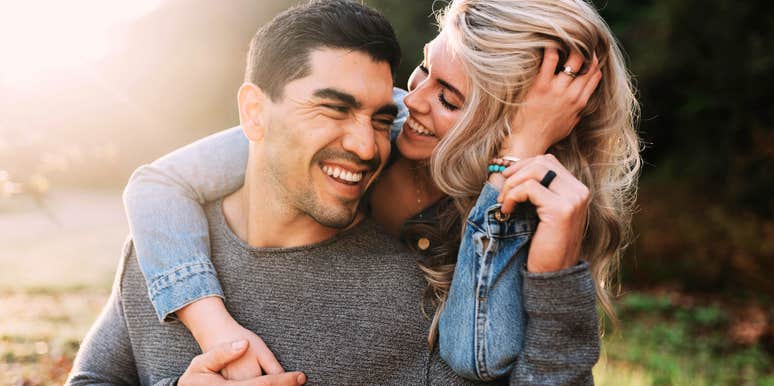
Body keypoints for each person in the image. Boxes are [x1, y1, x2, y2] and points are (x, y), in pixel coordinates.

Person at [67, 1, 606, 384]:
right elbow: (157, 183)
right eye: (421, 71)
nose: (409, 104)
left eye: (448, 99)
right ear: (255, 111)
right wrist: (216, 333)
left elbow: (483, 357)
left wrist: (552, 271)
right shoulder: (170, 247)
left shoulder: (423, 297)